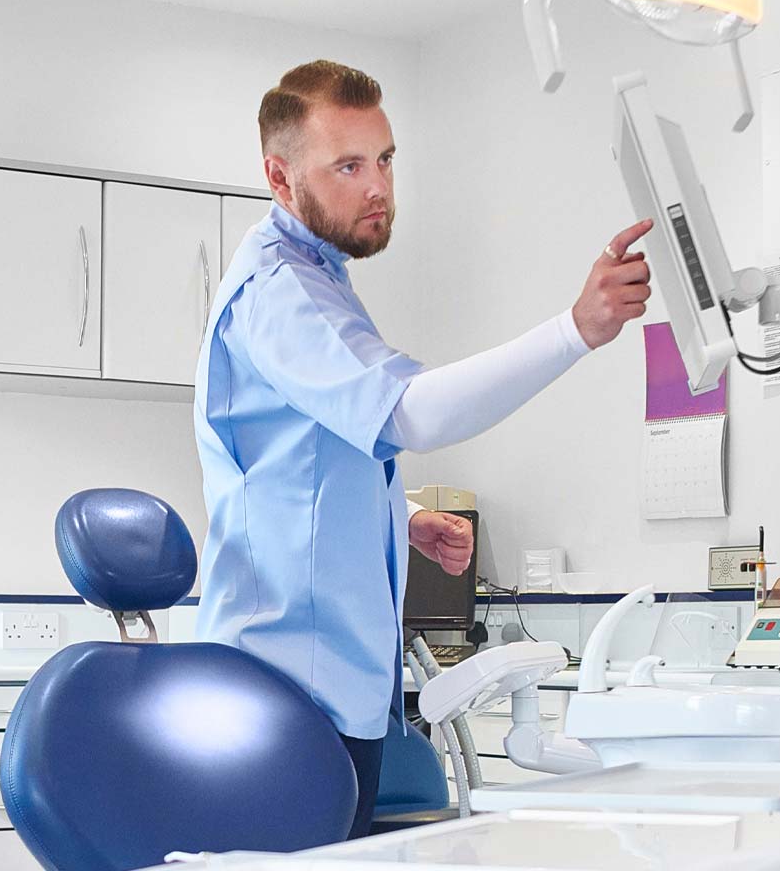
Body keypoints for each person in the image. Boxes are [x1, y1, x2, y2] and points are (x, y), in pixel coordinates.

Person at [192, 59, 652, 839]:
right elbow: (409, 412)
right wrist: (576, 330)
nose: (378, 186)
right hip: (290, 688)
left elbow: (291, 458)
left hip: (323, 681)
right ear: (279, 176)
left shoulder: (317, 276)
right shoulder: (282, 292)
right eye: (347, 165)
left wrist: (395, 513)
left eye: (385, 159)